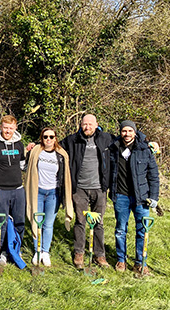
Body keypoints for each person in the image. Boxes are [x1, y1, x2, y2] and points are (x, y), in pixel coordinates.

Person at [60, 114, 113, 269]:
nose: (87, 127)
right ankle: (79, 253)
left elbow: (127, 139)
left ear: (96, 125)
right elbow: (52, 145)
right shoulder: (72, 140)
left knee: (99, 223)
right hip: (80, 189)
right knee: (80, 222)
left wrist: (147, 141)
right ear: (80, 125)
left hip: (99, 188)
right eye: (84, 124)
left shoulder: (106, 139)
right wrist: (34, 145)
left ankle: (99, 255)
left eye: (90, 124)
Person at [109, 120, 159, 275]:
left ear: (135, 132)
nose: (127, 134)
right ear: (120, 132)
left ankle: (140, 262)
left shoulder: (144, 149)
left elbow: (153, 176)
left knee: (142, 231)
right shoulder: (114, 147)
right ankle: (121, 260)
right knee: (120, 230)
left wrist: (154, 197)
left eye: (130, 131)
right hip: (121, 196)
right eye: (124, 131)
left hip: (142, 198)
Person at [25, 127, 73, 267]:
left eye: (51, 137)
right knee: (37, 222)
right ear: (41, 138)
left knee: (48, 224)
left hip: (53, 193)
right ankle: (37, 250)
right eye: (45, 137)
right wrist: (27, 150)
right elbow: (24, 165)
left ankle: (45, 252)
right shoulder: (35, 152)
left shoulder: (61, 154)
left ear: (56, 138)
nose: (48, 139)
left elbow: (65, 175)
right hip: (37, 192)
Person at [0, 115, 26, 266]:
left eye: (10, 128)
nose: (8, 131)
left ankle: (16, 249)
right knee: (1, 223)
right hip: (1, 191)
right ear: (1, 127)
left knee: (19, 221)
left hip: (18, 189)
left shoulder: (19, 145)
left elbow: (23, 166)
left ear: (15, 128)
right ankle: (3, 251)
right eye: (5, 128)